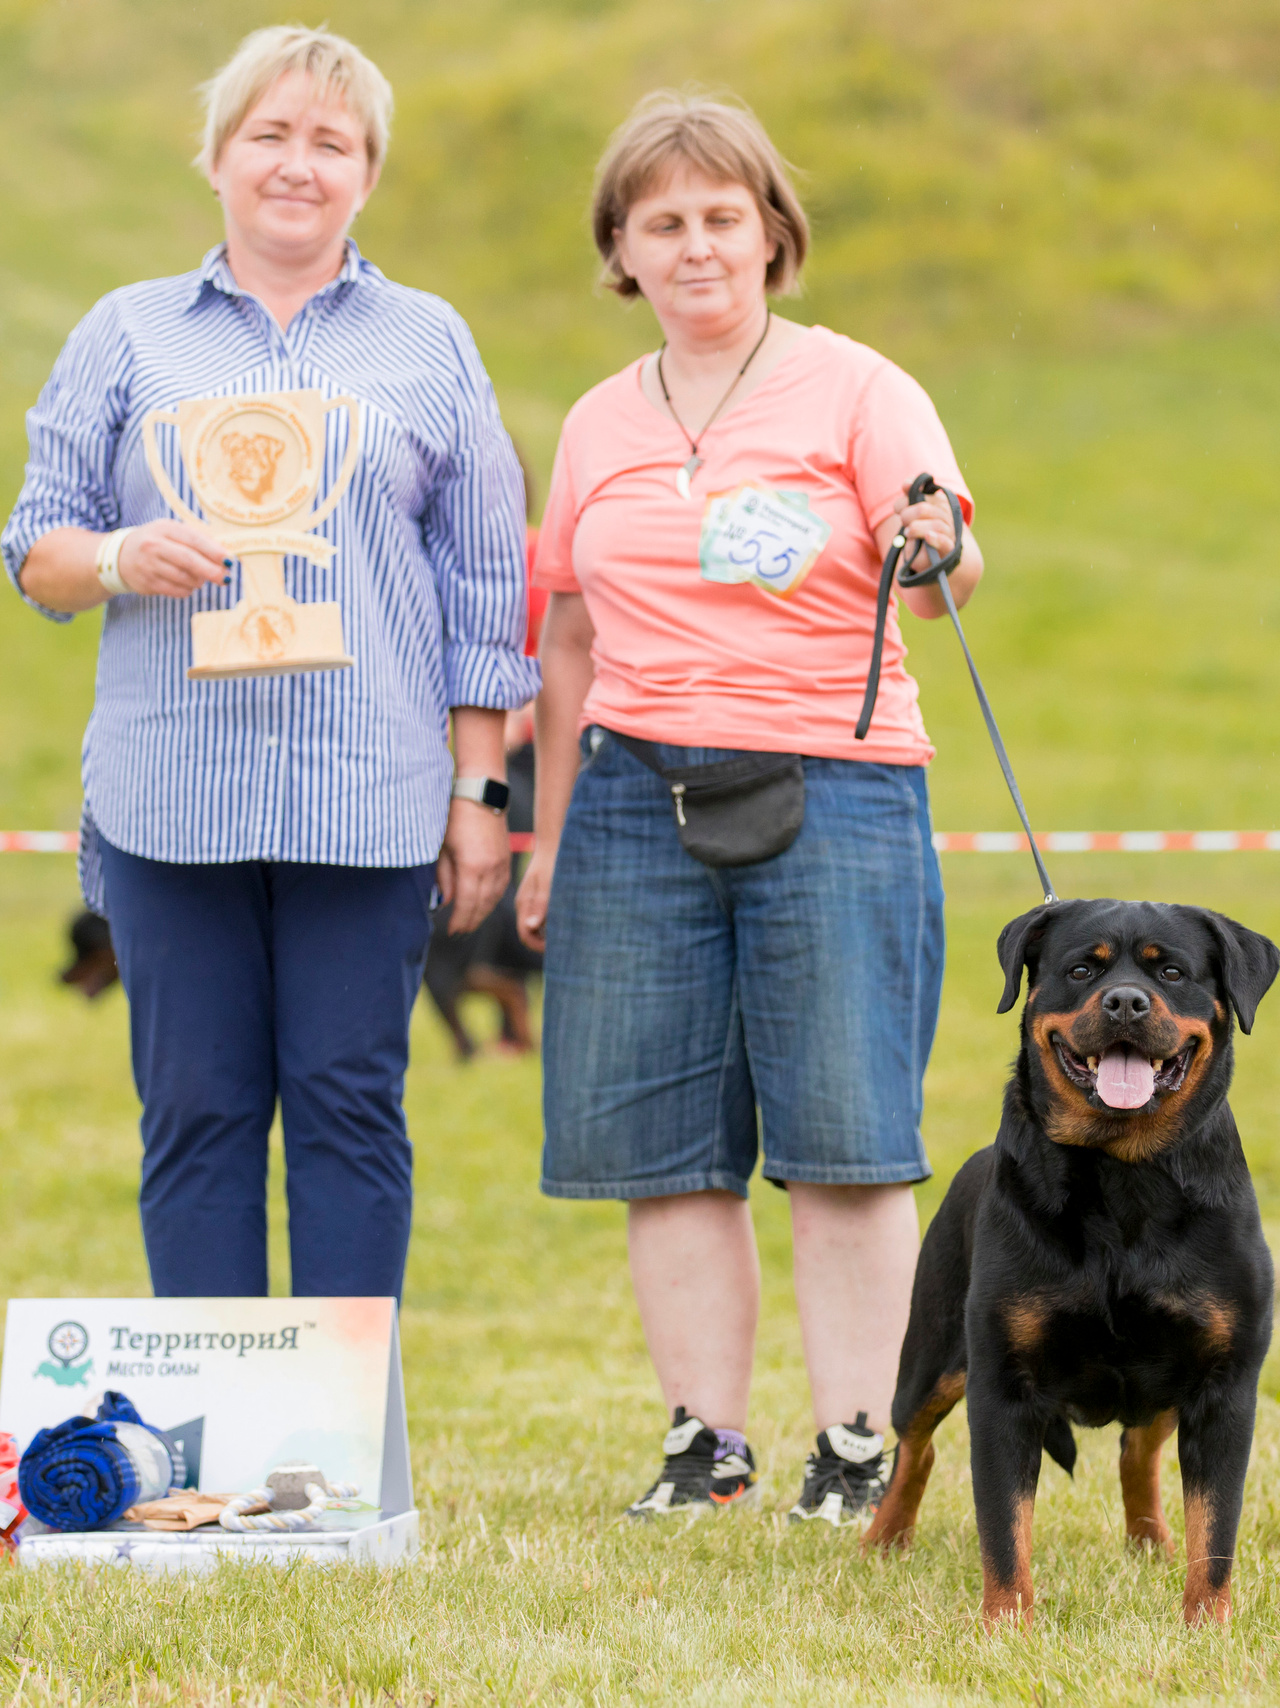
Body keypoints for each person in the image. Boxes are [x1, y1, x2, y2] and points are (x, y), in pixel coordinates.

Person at [0, 27, 537, 1300]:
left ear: (366, 174)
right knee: (194, 1115)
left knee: (352, 1114)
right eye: (270, 136)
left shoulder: (427, 340)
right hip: (169, 800)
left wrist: (479, 794)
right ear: (217, 156)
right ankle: (214, 1446)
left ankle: (338, 1451)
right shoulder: (126, 334)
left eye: (331, 144)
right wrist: (126, 556)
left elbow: (481, 585)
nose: (297, 164)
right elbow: (38, 550)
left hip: (369, 798)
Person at [516, 92, 987, 1527]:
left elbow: (952, 566)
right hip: (629, 804)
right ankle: (702, 1447)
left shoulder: (857, 386)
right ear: (622, 250)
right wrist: (545, 830)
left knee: (847, 1144)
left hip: (832, 795)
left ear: (772, 235)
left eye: (724, 216)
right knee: (663, 1148)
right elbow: (569, 644)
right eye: (665, 222)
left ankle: (858, 1447)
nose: (698, 244)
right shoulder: (599, 420)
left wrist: (931, 542)